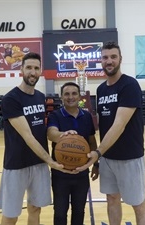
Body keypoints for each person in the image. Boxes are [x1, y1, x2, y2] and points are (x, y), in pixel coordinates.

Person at [77, 41, 145, 225]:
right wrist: (101, 157)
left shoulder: (129, 85)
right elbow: (103, 124)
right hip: (109, 158)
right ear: (101, 61)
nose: (109, 61)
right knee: (112, 199)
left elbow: (119, 124)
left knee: (138, 204)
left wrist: (97, 153)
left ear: (120, 59)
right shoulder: (101, 90)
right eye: (105, 57)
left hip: (130, 157)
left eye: (113, 57)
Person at [0, 52, 75, 225]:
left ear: (40, 71)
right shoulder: (11, 99)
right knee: (11, 214)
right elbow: (28, 136)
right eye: (29, 68)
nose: (33, 72)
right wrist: (50, 161)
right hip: (16, 164)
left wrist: (63, 135)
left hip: (38, 163)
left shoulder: (40, 97)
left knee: (35, 208)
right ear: (21, 70)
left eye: (36, 68)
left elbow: (41, 129)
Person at [47, 82, 98, 225]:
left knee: (79, 211)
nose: (70, 97)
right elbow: (51, 133)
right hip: (60, 172)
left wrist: (96, 164)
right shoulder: (55, 115)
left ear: (80, 96)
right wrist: (64, 135)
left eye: (74, 93)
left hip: (81, 173)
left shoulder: (87, 116)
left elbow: (91, 141)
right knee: (60, 212)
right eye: (67, 94)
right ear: (61, 97)